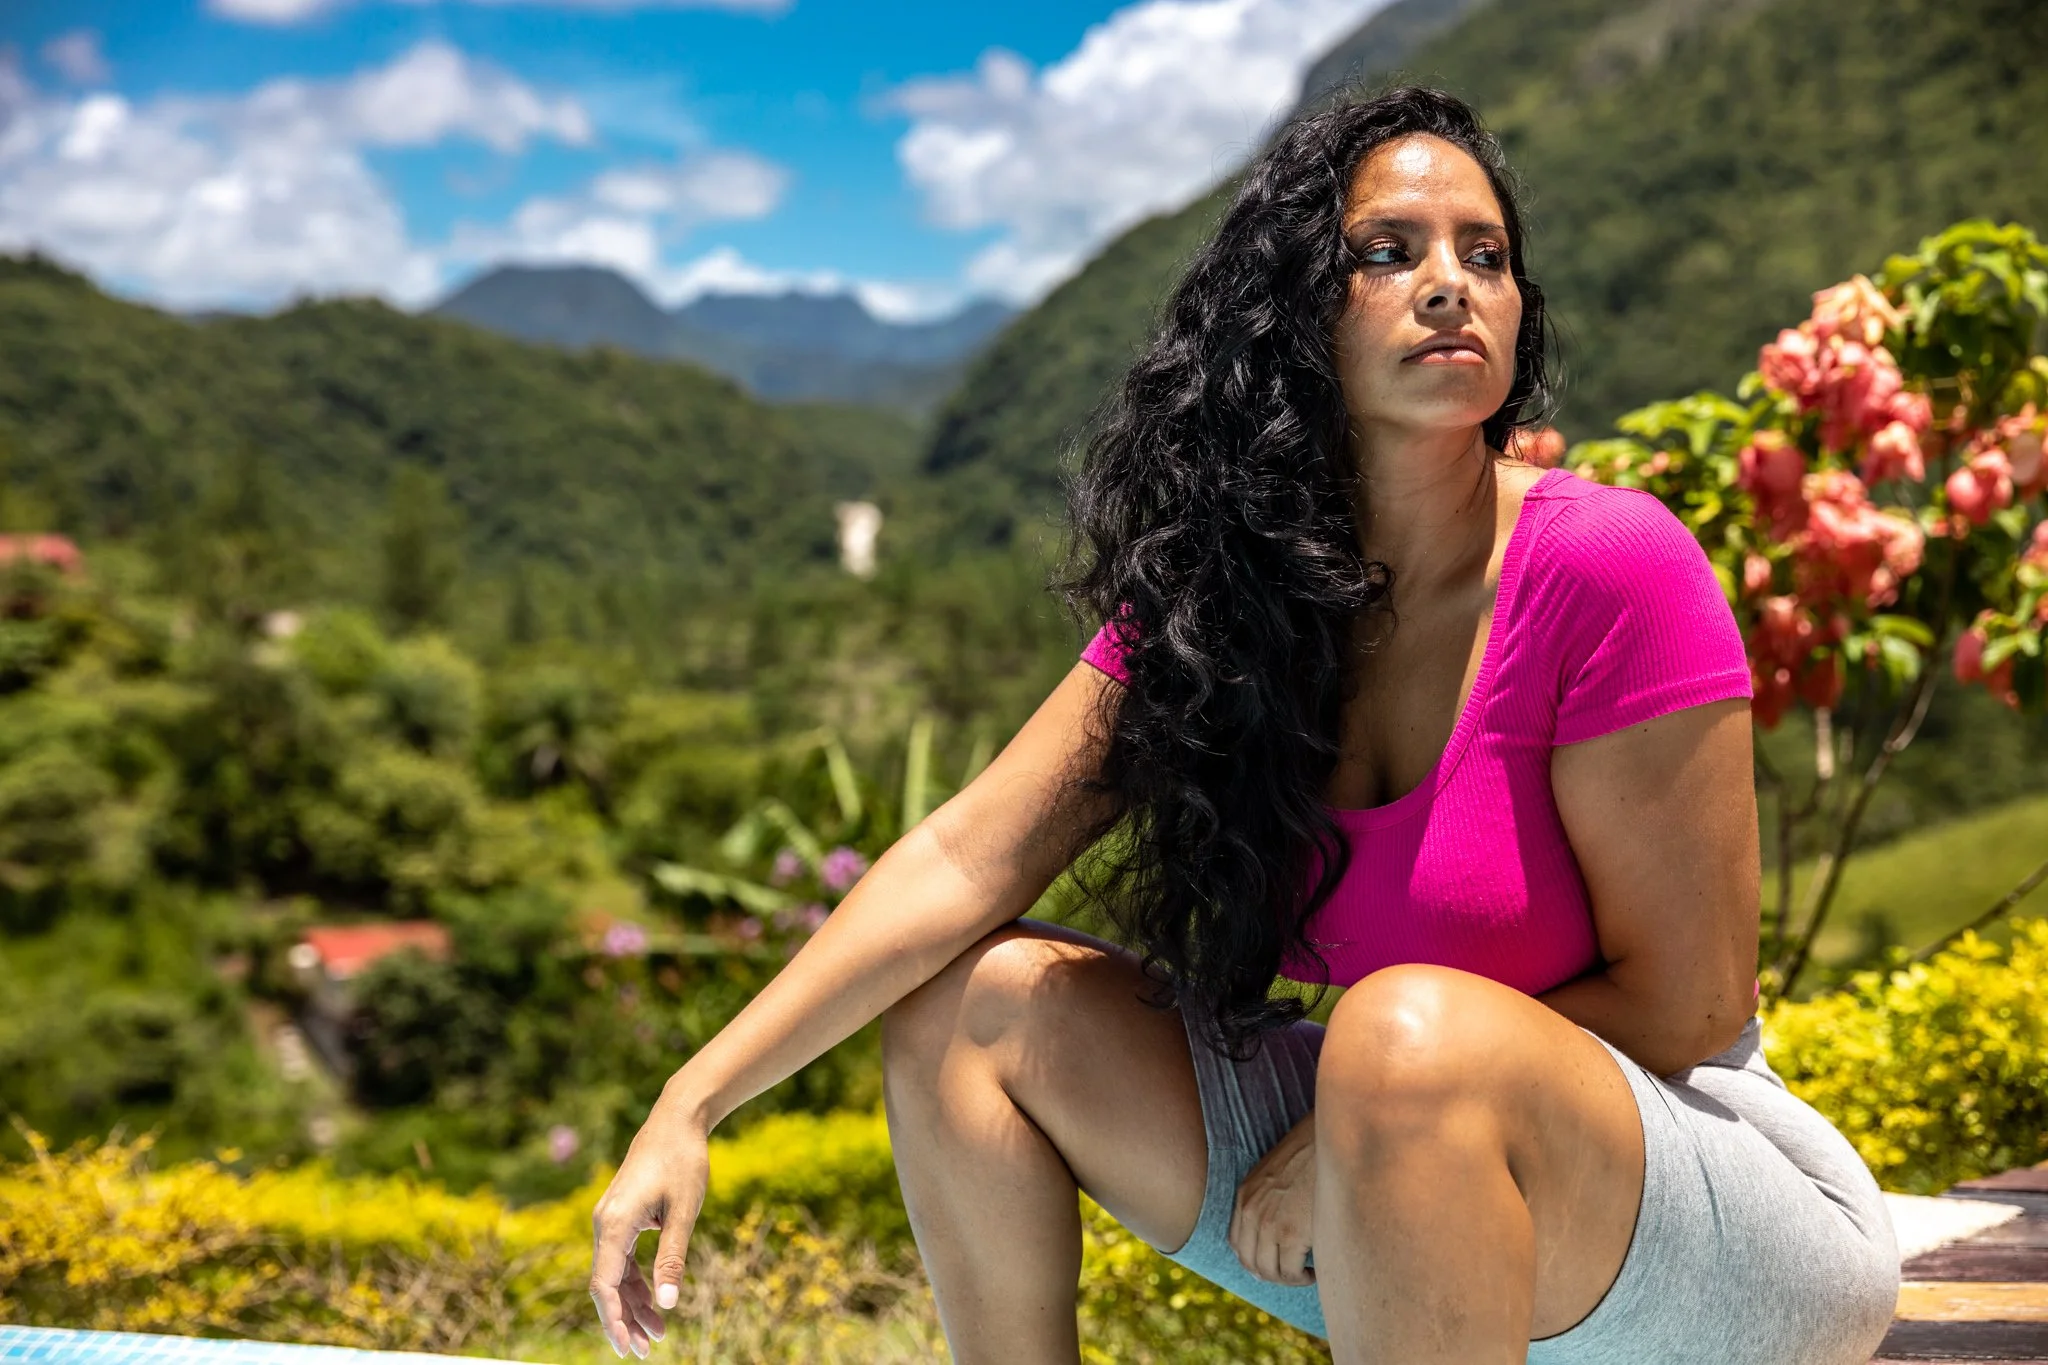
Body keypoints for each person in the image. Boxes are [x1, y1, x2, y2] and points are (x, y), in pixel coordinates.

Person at [586, 86, 1900, 1364]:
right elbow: (963, 859)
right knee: (972, 1012)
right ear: (1292, 314)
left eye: (1485, 255)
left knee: (1399, 1036)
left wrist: (1351, 1124)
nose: (1450, 284)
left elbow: (1690, 1001)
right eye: (1386, 252)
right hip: (1405, 1182)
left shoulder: (1608, 563)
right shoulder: (1227, 605)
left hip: (1712, 1228)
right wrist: (692, 1100)